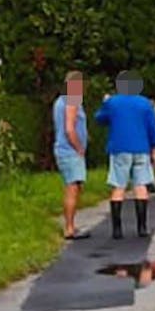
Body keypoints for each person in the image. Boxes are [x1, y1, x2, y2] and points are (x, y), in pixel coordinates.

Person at [94, 70, 155, 258]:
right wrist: (154, 144)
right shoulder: (145, 103)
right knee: (141, 186)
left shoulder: (113, 102)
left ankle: (117, 230)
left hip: (119, 148)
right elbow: (152, 128)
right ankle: (142, 228)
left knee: (119, 186)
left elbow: (99, 119)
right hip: (140, 147)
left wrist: (105, 102)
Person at [52, 71, 90, 240]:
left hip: (63, 150)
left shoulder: (60, 101)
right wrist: (79, 147)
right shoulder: (72, 100)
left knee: (74, 187)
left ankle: (71, 225)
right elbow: (69, 128)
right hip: (70, 151)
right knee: (72, 188)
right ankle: (69, 228)